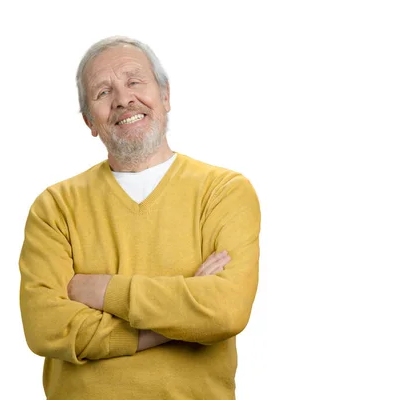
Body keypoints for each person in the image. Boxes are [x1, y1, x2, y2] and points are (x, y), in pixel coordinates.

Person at [18, 36, 261, 400]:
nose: (123, 99)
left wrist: (104, 291)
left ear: (165, 96)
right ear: (89, 121)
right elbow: (45, 326)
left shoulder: (225, 191)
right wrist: (174, 322)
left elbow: (226, 311)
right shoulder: (55, 207)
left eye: (134, 81)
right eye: (103, 92)